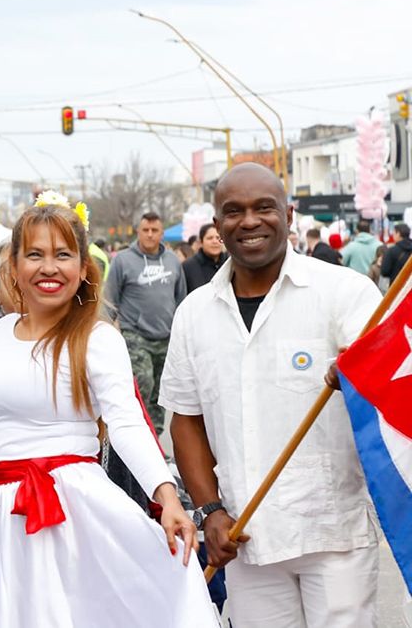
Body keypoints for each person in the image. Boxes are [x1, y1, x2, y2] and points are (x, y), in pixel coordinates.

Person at [0, 197, 217, 627]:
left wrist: (166, 497)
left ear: (84, 267)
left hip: (69, 511)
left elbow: (126, 421)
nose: (49, 267)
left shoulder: (97, 337)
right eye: (35, 254)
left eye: (63, 255)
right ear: (14, 266)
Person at [162, 163, 381, 627]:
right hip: (246, 540)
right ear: (217, 224)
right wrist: (210, 510)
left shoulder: (344, 292)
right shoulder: (193, 314)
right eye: (234, 211)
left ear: (288, 214)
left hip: (333, 536)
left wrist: (362, 376)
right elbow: (186, 420)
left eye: (264, 208)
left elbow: (388, 390)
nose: (249, 221)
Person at [104, 212, 187, 435]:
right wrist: (108, 332)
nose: (150, 235)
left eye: (154, 230)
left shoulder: (172, 261)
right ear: (138, 232)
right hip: (135, 334)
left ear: (162, 233)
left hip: (166, 336)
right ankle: (138, 435)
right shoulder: (123, 260)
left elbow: (181, 298)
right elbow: (109, 299)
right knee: (143, 383)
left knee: (161, 392)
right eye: (145, 230)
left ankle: (155, 438)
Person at [182, 223, 227, 292]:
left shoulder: (229, 263)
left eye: (218, 238)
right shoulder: (188, 266)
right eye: (210, 238)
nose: (215, 241)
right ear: (201, 242)